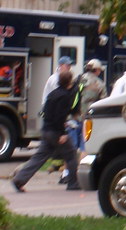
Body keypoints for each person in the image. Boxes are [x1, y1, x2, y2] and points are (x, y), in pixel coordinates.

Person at [12, 62, 81, 192]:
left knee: (39, 157)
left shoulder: (53, 94)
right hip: (56, 132)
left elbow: (48, 112)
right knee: (71, 154)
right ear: (69, 82)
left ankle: (19, 179)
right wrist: (62, 133)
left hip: (46, 130)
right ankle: (73, 183)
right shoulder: (65, 97)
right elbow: (60, 116)